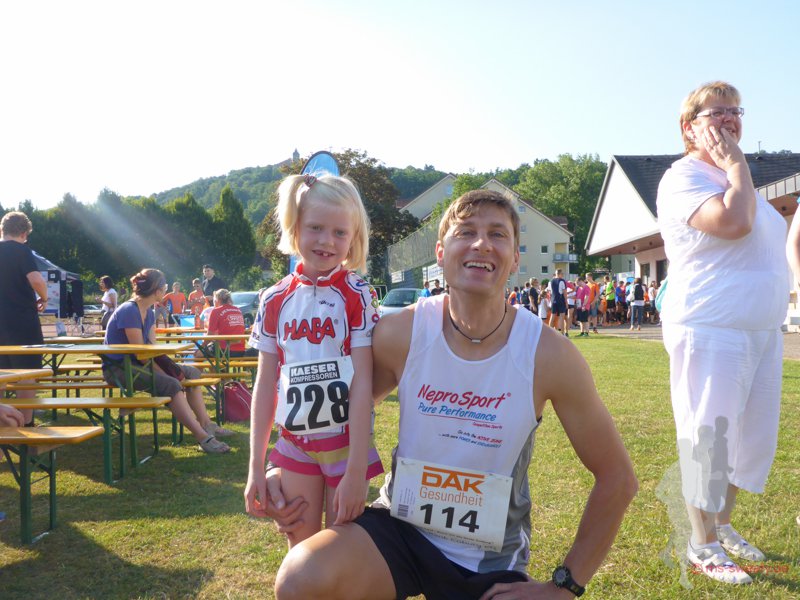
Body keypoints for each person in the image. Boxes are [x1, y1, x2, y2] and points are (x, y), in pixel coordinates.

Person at [272, 189, 637, 600]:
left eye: (497, 234)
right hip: (399, 531)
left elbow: (617, 478)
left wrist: (563, 587)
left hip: (488, 559)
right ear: (441, 253)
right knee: (300, 578)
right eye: (466, 232)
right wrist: (279, 467)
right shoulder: (399, 333)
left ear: (515, 259)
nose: (481, 243)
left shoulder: (549, 355)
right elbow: (331, 413)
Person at [657, 81, 788, 585]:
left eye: (736, 110)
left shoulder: (740, 178)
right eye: (717, 112)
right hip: (712, 326)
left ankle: (723, 525)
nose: (731, 118)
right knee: (709, 436)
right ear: (689, 127)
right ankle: (702, 543)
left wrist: (737, 169)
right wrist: (736, 166)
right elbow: (732, 222)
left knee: (747, 440)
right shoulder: (685, 177)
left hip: (760, 330)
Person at [244, 172, 384, 548]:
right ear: (295, 228)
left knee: (338, 552)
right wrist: (256, 465)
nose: (326, 241)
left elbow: (363, 383)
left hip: (345, 445)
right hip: (295, 443)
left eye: (340, 232)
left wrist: (357, 467)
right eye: (316, 228)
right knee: (300, 547)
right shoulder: (273, 298)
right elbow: (265, 384)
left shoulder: (358, 295)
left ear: (354, 238)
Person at [102, 268, 233, 454]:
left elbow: (151, 349)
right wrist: (166, 373)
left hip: (137, 364)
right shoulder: (129, 310)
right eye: (164, 287)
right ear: (157, 290)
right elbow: (141, 353)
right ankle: (203, 438)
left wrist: (168, 368)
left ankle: (206, 424)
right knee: (171, 384)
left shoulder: (148, 311)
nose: (166, 290)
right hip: (119, 370)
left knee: (192, 372)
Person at [0, 211, 48, 425]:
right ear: (24, 233)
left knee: (1, 373)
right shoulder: (21, 251)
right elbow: (36, 279)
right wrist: (44, 297)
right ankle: (26, 423)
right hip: (21, 321)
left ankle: (3, 423)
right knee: (27, 373)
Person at [204, 288, 256, 358]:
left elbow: (210, 336)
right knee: (211, 352)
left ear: (217, 300)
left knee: (198, 354)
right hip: (240, 351)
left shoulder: (216, 311)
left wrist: (202, 347)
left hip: (223, 350)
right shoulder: (238, 310)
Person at [548, 269, 567, 335]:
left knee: (552, 316)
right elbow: (564, 292)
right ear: (559, 274)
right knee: (562, 316)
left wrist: (551, 301)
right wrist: (566, 301)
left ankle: (549, 332)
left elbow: (550, 292)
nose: (563, 275)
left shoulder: (551, 281)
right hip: (560, 300)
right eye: (562, 274)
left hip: (553, 300)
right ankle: (562, 333)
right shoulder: (562, 281)